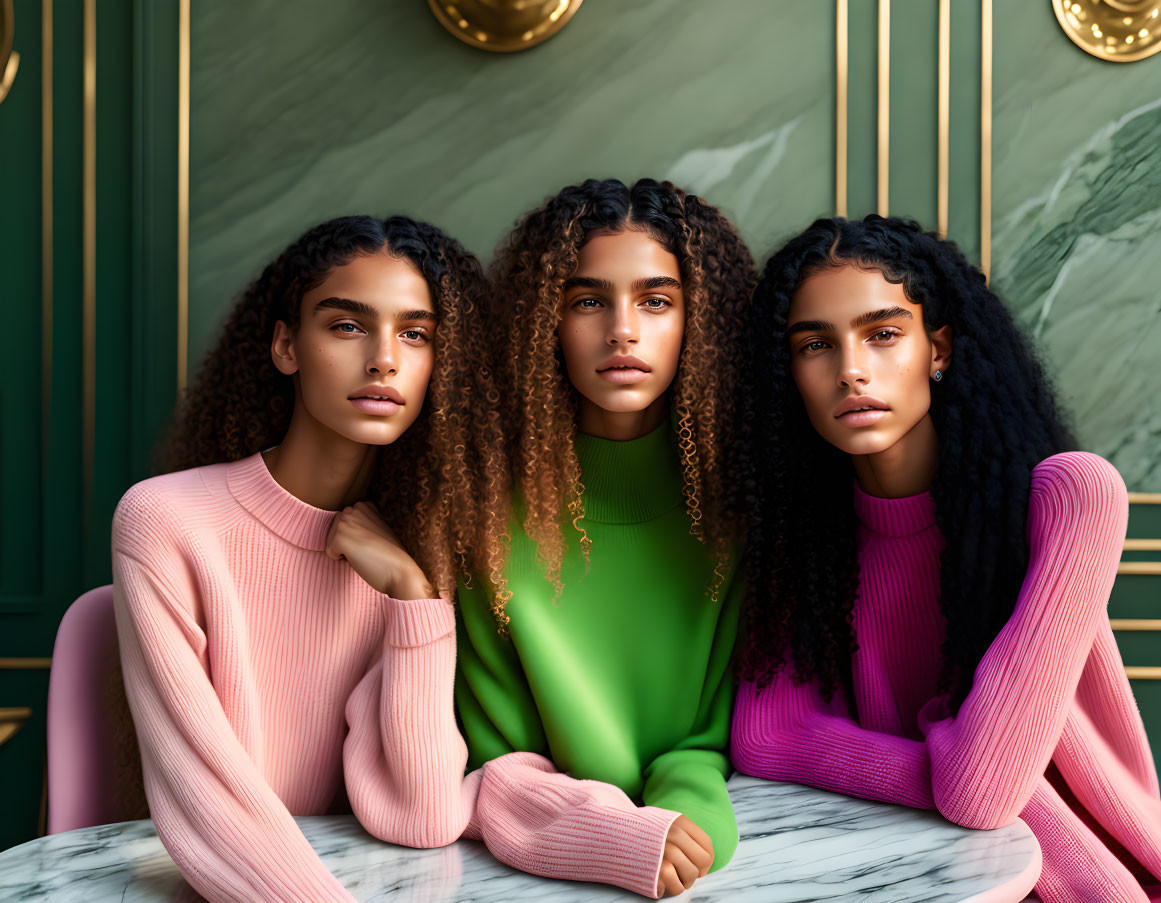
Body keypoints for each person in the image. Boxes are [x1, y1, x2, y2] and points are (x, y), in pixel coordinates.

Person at [113, 214, 682, 903]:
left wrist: (414, 598)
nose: (384, 358)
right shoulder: (167, 521)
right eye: (347, 326)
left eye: (415, 334)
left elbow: (423, 815)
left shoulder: (425, 540)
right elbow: (206, 800)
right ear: (286, 345)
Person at [730, 214, 1161, 903]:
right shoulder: (800, 540)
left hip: (1093, 882)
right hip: (922, 879)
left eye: (881, 334)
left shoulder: (1069, 495)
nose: (850, 370)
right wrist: (942, 746)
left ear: (938, 349)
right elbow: (768, 734)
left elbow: (981, 791)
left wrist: (933, 759)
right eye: (815, 345)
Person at [456, 178, 757, 897]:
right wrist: (608, 832)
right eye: (587, 301)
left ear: (699, 321)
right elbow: (493, 759)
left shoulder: (740, 512)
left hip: (705, 861)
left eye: (656, 301)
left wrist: (685, 814)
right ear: (542, 323)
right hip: (521, 869)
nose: (622, 329)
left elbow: (711, 735)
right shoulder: (476, 518)